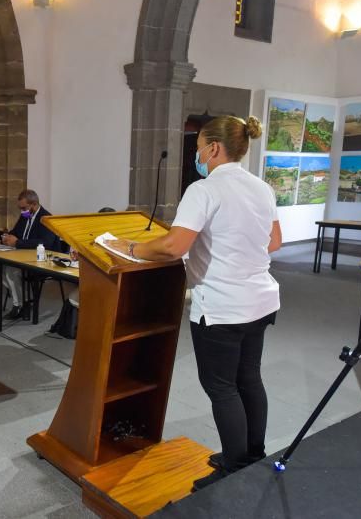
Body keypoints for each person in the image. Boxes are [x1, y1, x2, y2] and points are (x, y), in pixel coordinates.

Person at [107, 115, 281, 491]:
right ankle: (252, 454)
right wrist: (239, 257)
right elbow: (275, 241)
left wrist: (132, 247)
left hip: (222, 306)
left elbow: (174, 245)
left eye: (199, 147)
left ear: (214, 148)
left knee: (221, 387)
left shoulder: (204, 189)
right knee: (249, 377)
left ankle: (234, 467)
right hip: (261, 300)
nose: (197, 155)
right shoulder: (262, 188)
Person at [1, 189, 59, 320]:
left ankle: (19, 305)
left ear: (33, 204)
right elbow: (16, 232)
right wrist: (8, 237)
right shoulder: (26, 215)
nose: (22, 211)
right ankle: (24, 302)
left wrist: (18, 243)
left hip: (42, 260)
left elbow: (46, 243)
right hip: (23, 255)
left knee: (11, 271)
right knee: (3, 268)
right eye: (20, 208)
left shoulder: (47, 218)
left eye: (24, 208)